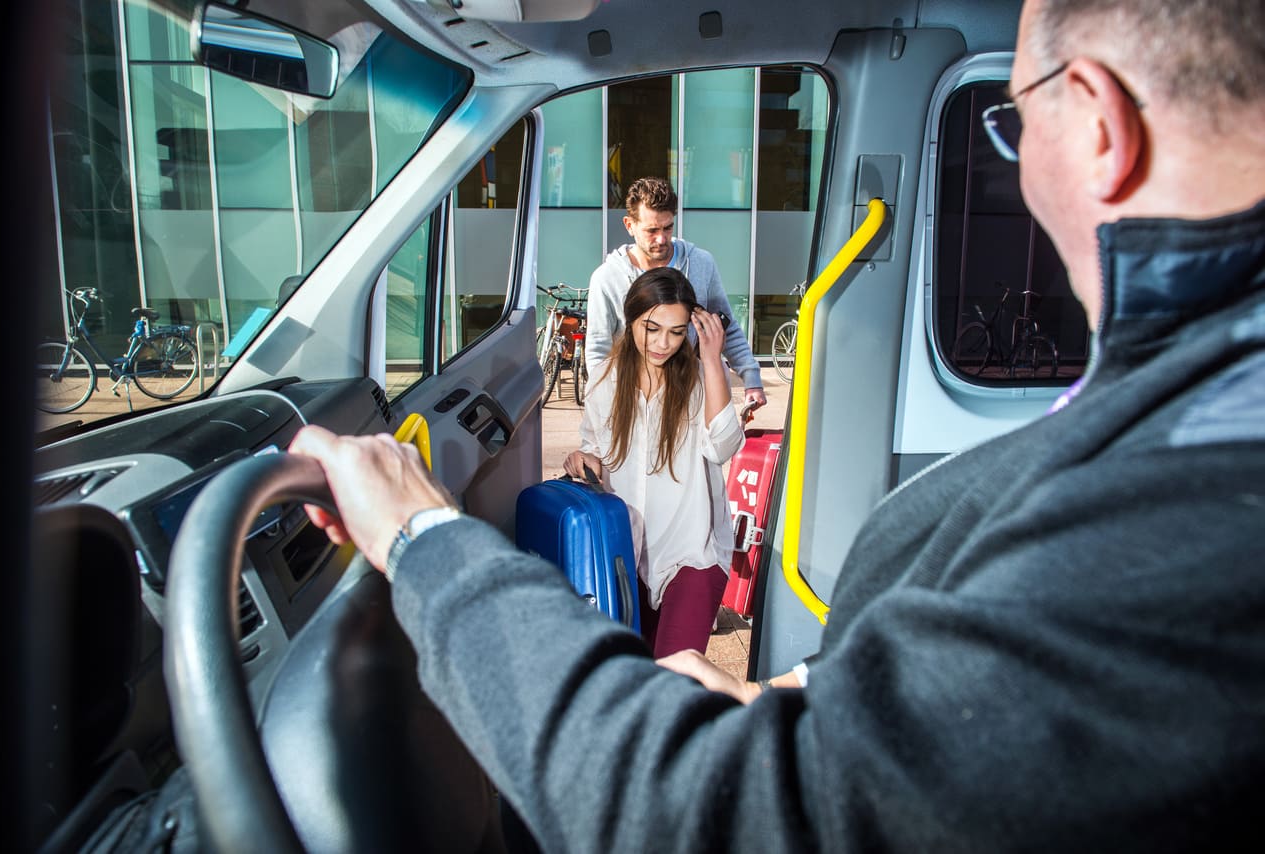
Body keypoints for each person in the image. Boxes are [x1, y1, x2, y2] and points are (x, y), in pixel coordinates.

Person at [289, 0, 1265, 848]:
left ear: (1095, 124)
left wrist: (425, 536)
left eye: (1012, 120)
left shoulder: (1201, 499)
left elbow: (711, 814)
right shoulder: (1190, 402)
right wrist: (794, 696)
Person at [562, 267, 743, 659]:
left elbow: (725, 446)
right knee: (636, 677)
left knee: (675, 675)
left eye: (677, 332)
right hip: (627, 558)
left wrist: (712, 360)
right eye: (652, 328)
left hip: (692, 553)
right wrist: (583, 460)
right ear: (631, 320)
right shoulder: (605, 382)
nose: (664, 343)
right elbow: (594, 450)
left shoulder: (699, 379)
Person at [585, 176, 769, 410]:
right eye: (651, 230)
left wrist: (752, 380)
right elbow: (598, 350)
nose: (661, 239)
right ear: (629, 225)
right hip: (635, 400)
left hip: (693, 396)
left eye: (667, 227)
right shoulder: (607, 278)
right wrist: (601, 408)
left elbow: (725, 326)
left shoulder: (701, 263)